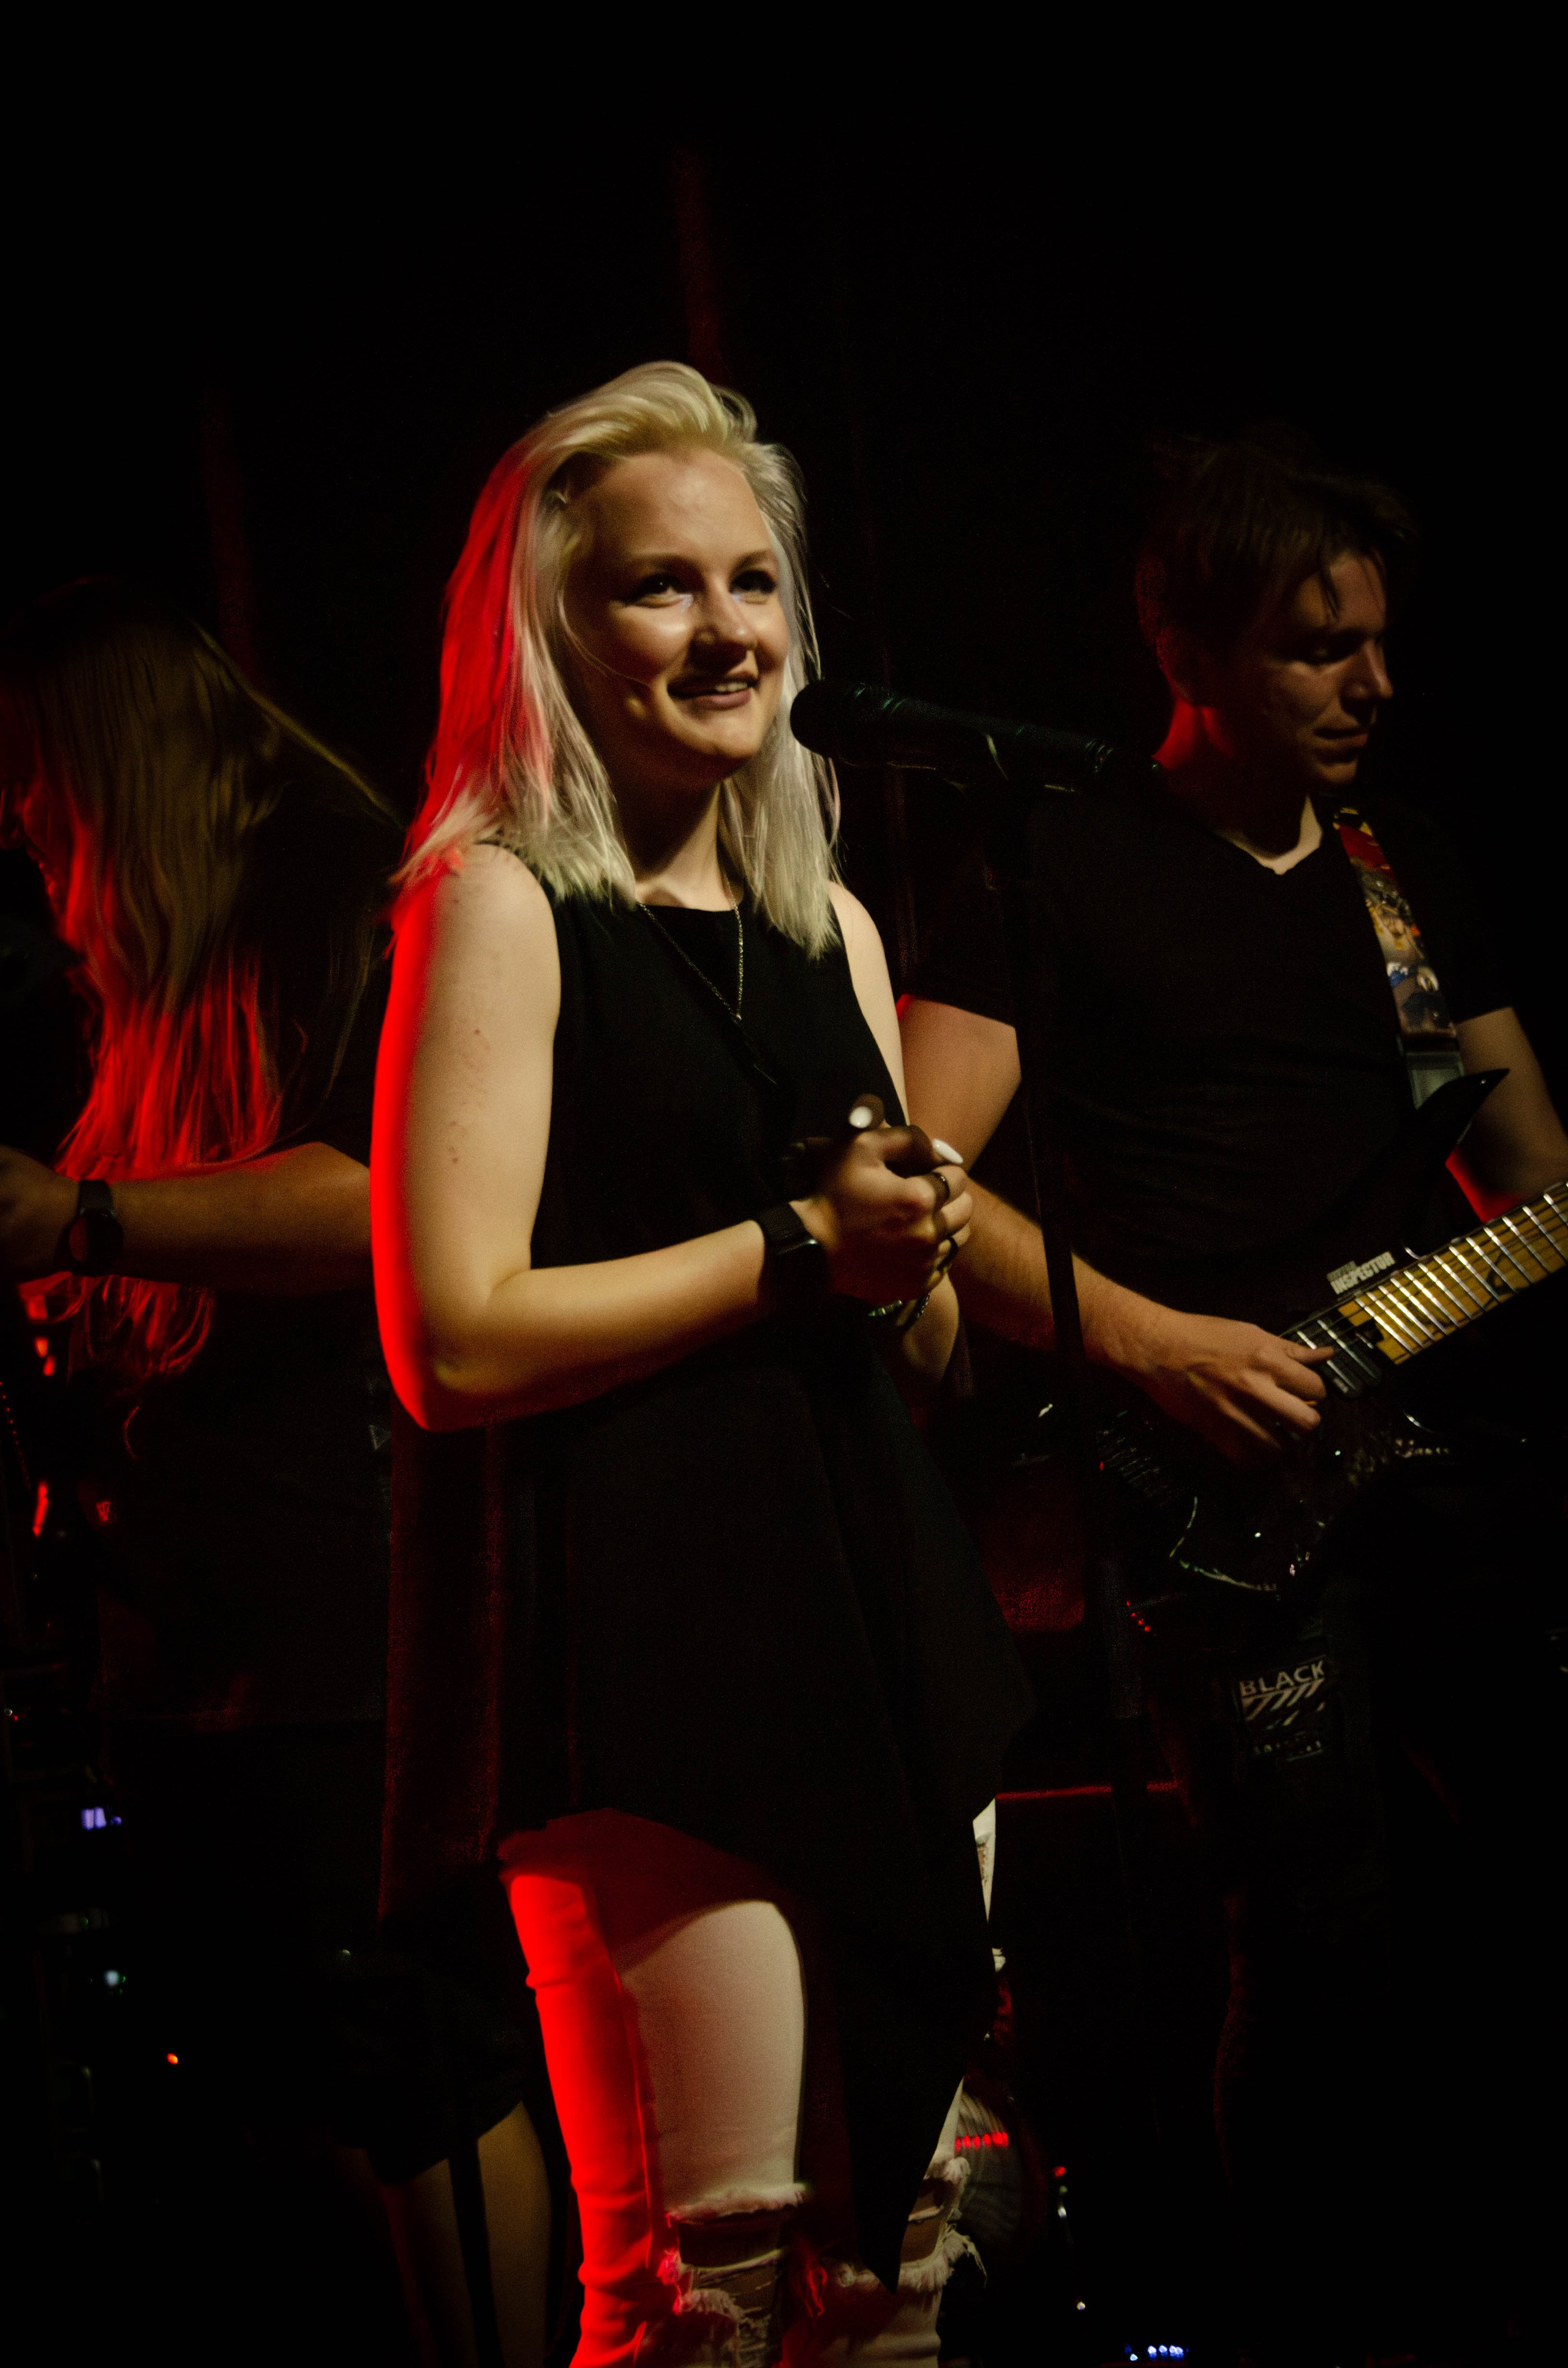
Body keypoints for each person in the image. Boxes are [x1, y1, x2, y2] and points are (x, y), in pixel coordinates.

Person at [372, 360, 1033, 2368]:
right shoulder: (498, 903)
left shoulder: (829, 922)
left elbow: (908, 1341)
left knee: (903, 2252)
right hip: (644, 1643)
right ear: (549, 631)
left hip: (874, 1612)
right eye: (663, 585)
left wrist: (909, 1258)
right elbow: (448, 1337)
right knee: (708, 2282)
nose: (729, 628)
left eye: (754, 581)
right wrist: (794, 1247)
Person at [899, 433, 1568, 2361]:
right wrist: (1160, 1343)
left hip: (1445, 1468)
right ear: (1188, 647)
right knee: (1319, 1940)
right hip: (1212, 1490)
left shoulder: (1399, 867)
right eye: (1317, 646)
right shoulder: (1053, 858)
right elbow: (921, 1187)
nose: (1375, 684)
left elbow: (1533, 1174)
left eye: (1382, 642)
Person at [0, 584, 552, 2367]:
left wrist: (83, 1219)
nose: (20, 824)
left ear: (113, 764)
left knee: (412, 2059)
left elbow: (381, 1198)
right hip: (196, 1626)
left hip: (339, 1609)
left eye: (37, 783)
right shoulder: (139, 970)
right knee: (282, 2067)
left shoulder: (342, 896)